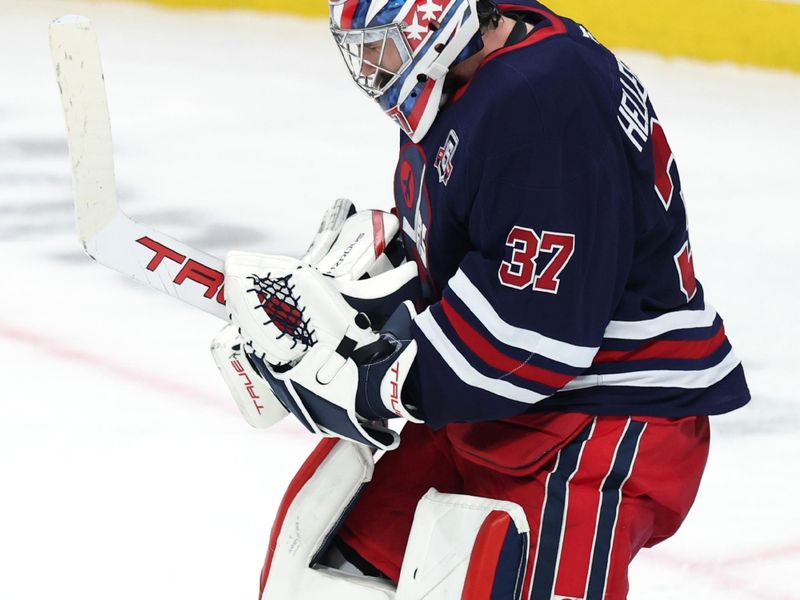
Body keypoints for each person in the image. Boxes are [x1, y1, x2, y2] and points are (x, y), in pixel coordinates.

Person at [219, 1, 751, 598]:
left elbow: (536, 330)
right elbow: (479, 236)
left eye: (381, 41)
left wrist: (378, 379)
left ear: (434, 19)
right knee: (329, 546)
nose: (368, 64)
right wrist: (358, 300)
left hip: (603, 416)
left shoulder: (541, 99)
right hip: (501, 399)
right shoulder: (470, 69)